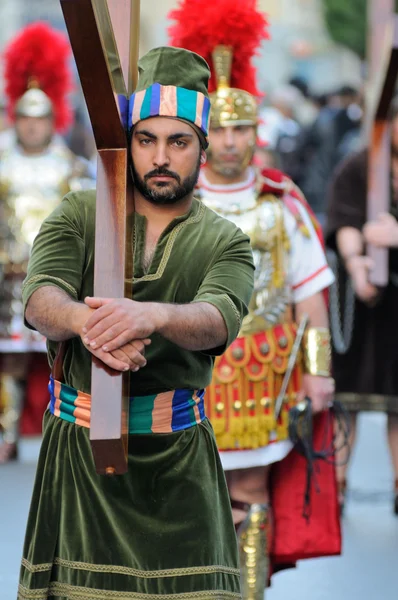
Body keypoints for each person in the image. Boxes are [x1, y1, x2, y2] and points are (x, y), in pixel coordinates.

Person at [17, 46, 254, 599]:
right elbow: (39, 298)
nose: (161, 157)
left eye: (179, 141)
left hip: (179, 465)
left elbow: (219, 317)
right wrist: (87, 321)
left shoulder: (227, 241)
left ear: (202, 146)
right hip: (78, 461)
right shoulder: (78, 212)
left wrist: (149, 315)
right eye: (146, 140)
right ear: (128, 142)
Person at [168, 1, 341, 598]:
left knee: (252, 494)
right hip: (191, 366)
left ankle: (248, 592)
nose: (231, 140)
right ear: (201, 132)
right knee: (187, 492)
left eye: (241, 128)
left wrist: (319, 375)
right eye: (219, 128)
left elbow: (311, 289)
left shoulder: (280, 202)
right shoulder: (175, 204)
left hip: (265, 371)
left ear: (256, 130)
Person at [0, 23, 94, 463]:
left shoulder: (70, 166)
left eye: (40, 120)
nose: (33, 128)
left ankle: (58, 436)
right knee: (9, 362)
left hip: (55, 276)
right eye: (26, 119)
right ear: (16, 119)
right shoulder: (0, 162)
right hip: (5, 277)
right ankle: (7, 433)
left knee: (59, 355)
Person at [326, 101, 398, 515]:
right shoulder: (361, 164)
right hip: (359, 300)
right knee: (346, 399)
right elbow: (346, 218)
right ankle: (336, 486)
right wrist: (358, 266)